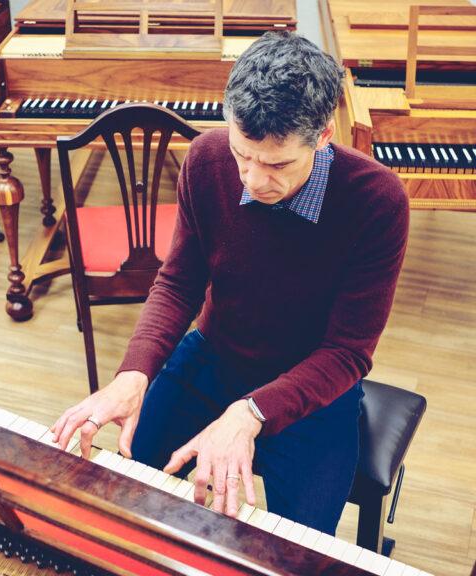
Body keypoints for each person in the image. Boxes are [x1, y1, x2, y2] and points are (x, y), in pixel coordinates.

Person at [52, 31, 409, 536]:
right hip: (214, 356)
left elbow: (348, 353)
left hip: (315, 385)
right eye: (244, 154)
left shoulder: (377, 200)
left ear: (324, 135)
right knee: (133, 494)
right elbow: (178, 283)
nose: (253, 180)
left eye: (277, 163)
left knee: (296, 551)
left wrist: (250, 412)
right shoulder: (207, 158)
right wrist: (133, 374)